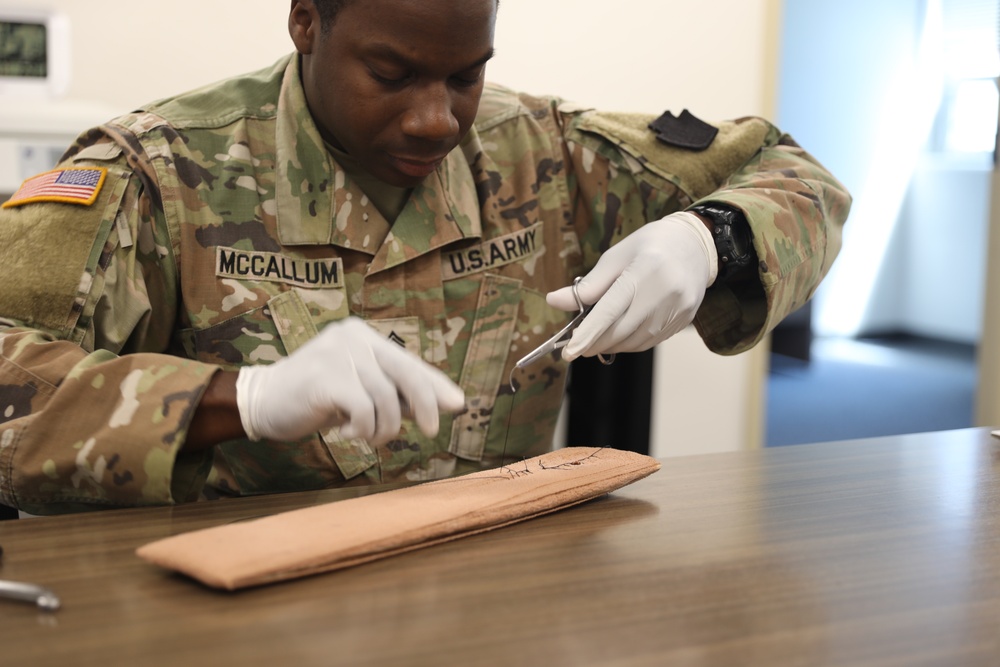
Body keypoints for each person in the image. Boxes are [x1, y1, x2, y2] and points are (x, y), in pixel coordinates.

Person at [0, 0, 850, 515]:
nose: (437, 119)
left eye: (466, 74)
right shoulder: (165, 173)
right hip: (235, 610)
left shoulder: (538, 149)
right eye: (394, 73)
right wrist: (241, 400)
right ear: (306, 20)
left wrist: (714, 236)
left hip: (491, 600)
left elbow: (795, 171)